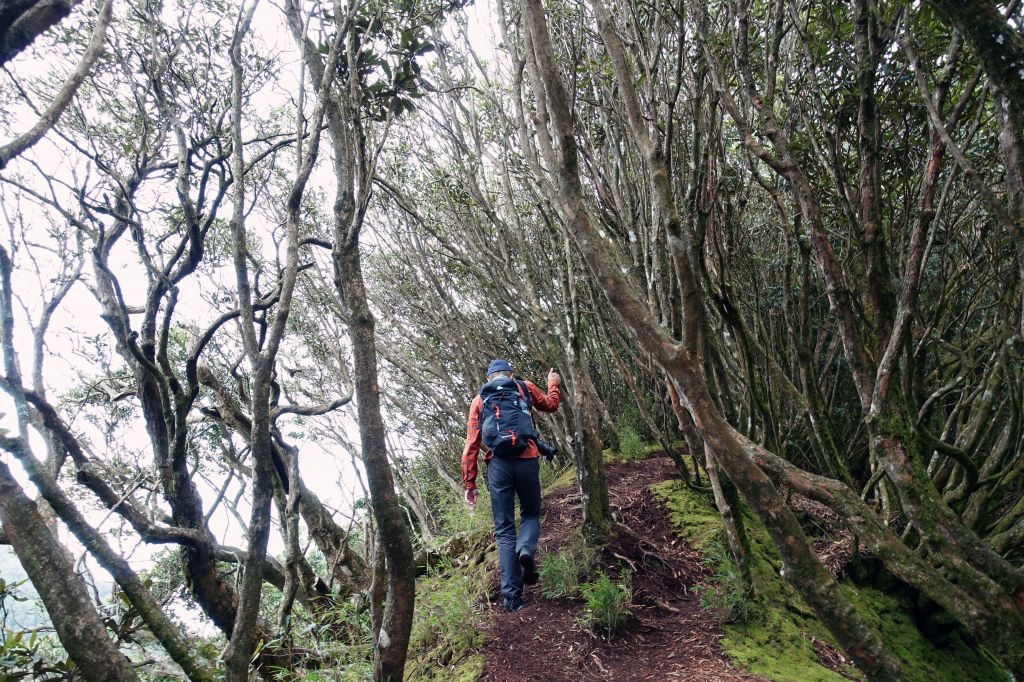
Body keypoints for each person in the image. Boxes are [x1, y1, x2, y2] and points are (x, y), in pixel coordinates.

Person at [462, 358, 561, 612]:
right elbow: (551, 405)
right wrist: (553, 384)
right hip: (527, 460)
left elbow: (472, 444)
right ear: (511, 374)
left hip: (499, 466)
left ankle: (512, 599)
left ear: (488, 379)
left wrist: (470, 484)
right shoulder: (524, 387)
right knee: (530, 513)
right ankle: (526, 549)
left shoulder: (479, 400)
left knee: (505, 530)